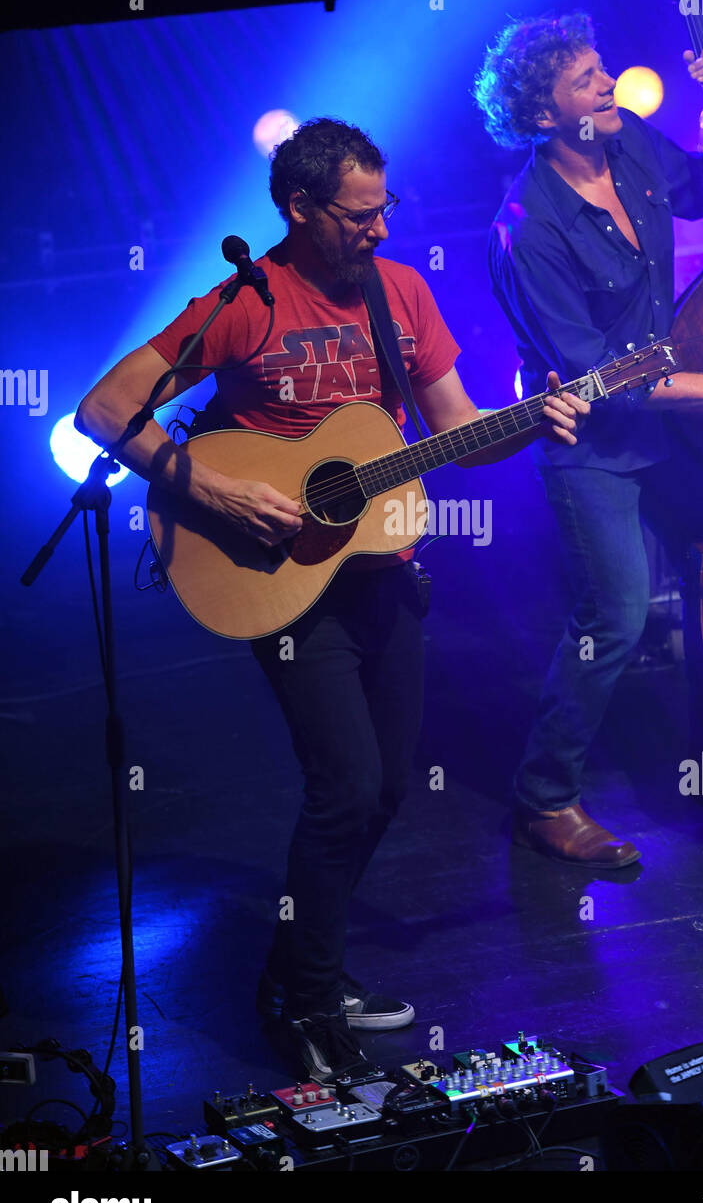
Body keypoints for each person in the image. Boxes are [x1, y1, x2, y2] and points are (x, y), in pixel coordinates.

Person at [75, 117, 589, 1082]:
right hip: (278, 582)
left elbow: (457, 431)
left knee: (387, 788)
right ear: (298, 210)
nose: (381, 230)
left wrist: (532, 423)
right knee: (344, 787)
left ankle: (300, 962)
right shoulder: (244, 302)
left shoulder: (401, 294)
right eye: (359, 216)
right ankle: (307, 1002)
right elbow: (101, 411)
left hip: (382, 569)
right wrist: (209, 486)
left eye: (385, 206)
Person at [474, 13, 703, 867]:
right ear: (544, 114)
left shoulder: (626, 146)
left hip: (670, 423)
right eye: (585, 78)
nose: (606, 84)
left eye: (601, 67)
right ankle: (545, 798)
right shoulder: (528, 227)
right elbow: (597, 376)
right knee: (616, 616)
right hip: (596, 443)